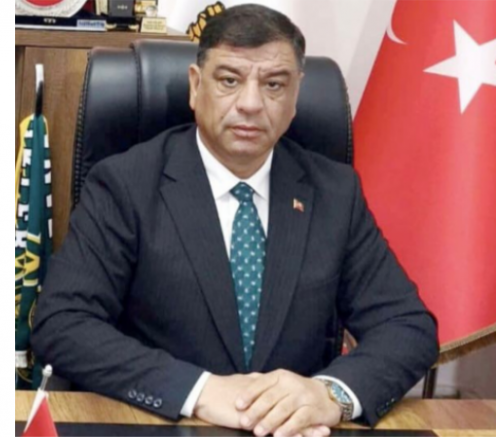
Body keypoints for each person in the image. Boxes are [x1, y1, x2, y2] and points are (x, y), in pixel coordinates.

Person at [32, 4, 438, 437]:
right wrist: (199, 391)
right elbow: (63, 322)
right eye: (229, 80)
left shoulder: (334, 193)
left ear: (296, 97)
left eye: (274, 85)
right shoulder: (126, 184)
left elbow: (407, 327)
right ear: (195, 86)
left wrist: (330, 394)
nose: (250, 104)